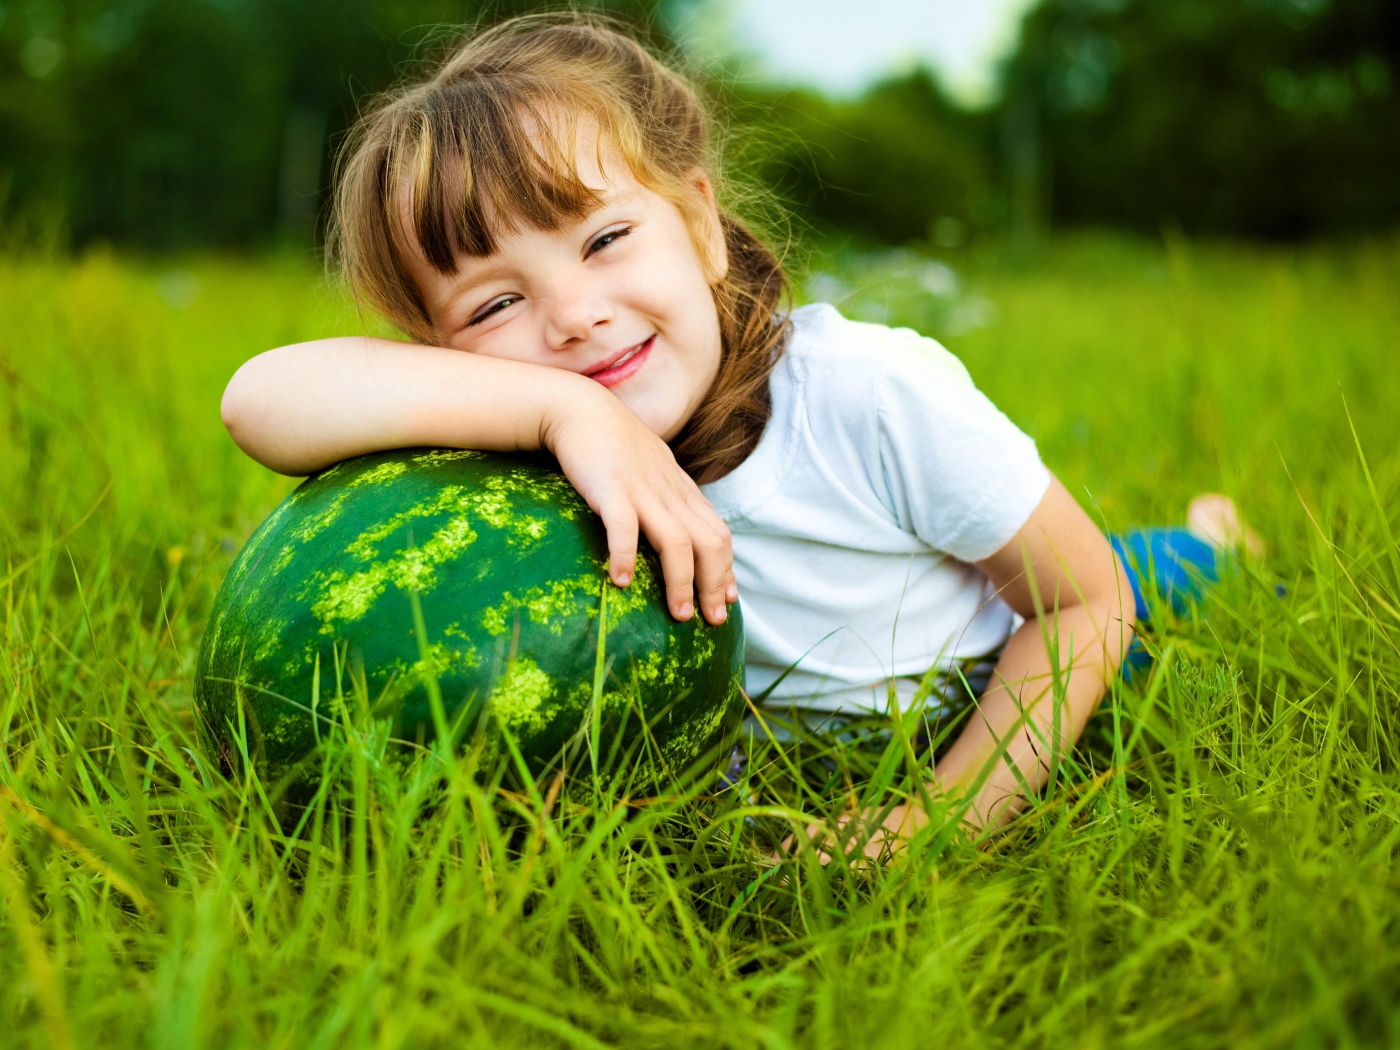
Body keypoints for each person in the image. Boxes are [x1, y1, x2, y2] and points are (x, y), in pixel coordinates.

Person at [220, 13, 1246, 858]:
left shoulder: (868, 394)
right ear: (435, 352)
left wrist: (938, 820)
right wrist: (564, 411)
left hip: (992, 652)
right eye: (493, 305)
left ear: (700, 223)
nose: (572, 316)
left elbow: (1077, 604)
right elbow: (256, 399)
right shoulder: (528, 435)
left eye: (605, 238)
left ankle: (1214, 536)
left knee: (1155, 576)